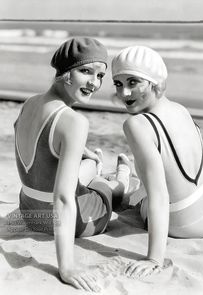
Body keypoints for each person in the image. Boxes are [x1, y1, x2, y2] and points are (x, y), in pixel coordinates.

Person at [14, 37, 131, 292]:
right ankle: (120, 183)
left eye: (100, 75)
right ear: (65, 72)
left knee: (89, 161)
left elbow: (38, 144)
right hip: (70, 221)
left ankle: (95, 164)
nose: (94, 83)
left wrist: (79, 149)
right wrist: (66, 267)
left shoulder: (30, 104)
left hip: (29, 211)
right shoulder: (73, 122)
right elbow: (64, 199)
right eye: (86, 71)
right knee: (102, 185)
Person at [111, 45, 203, 278]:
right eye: (118, 84)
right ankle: (125, 177)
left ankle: (120, 180)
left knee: (141, 195)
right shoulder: (180, 109)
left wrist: (154, 258)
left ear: (155, 82)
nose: (124, 93)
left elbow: (160, 195)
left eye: (133, 82)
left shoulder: (136, 125)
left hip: (185, 223)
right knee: (157, 178)